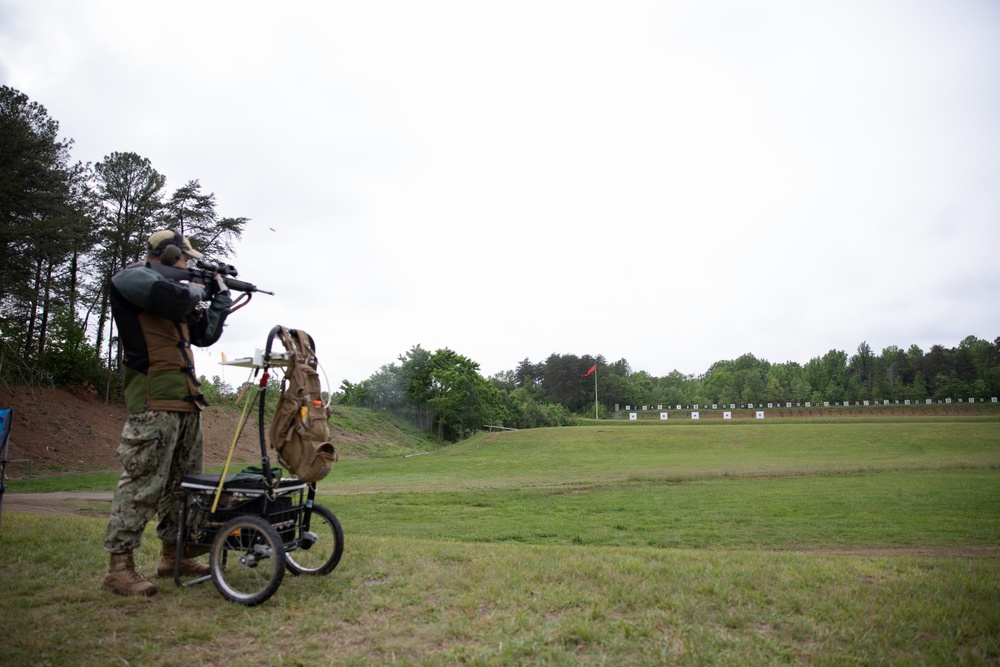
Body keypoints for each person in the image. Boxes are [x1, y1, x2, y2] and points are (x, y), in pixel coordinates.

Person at [101, 230, 232, 596]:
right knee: (144, 483)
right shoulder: (133, 278)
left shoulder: (178, 294)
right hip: (153, 400)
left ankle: (177, 555)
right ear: (168, 253)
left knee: (185, 485)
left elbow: (203, 335)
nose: (188, 264)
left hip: (187, 401)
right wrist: (202, 287)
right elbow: (168, 295)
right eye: (184, 259)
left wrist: (220, 300)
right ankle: (119, 567)